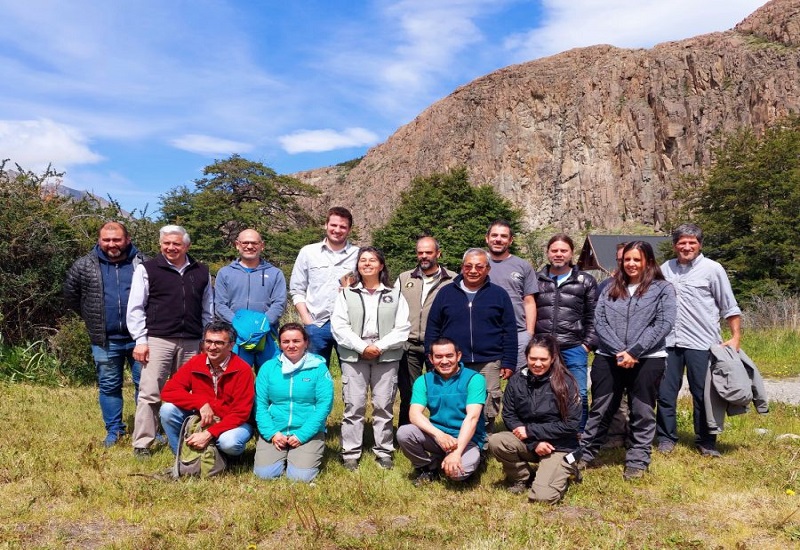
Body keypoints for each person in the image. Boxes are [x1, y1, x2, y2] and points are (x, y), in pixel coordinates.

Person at [578, 241, 676, 481]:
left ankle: (637, 460)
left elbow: (663, 323)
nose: (631, 264)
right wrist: (619, 351)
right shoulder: (610, 287)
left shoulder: (663, 288)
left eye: (637, 259)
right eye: (627, 259)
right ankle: (585, 454)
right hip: (608, 357)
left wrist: (635, 351)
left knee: (642, 411)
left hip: (648, 358)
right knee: (600, 409)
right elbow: (599, 321)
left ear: (648, 262)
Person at [127, 225, 214, 458]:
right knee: (150, 392)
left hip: (192, 340)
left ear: (187, 246)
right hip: (158, 339)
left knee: (190, 392)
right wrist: (140, 340)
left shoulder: (201, 271)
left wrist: (205, 338)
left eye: (176, 243)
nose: (171, 247)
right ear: (160, 244)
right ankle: (143, 443)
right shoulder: (147, 269)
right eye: (166, 243)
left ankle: (184, 438)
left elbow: (208, 308)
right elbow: (135, 307)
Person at [656, 223, 742, 457]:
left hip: (702, 343)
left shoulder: (713, 269)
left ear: (700, 244)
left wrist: (736, 337)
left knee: (703, 394)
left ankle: (706, 441)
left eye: (692, 242)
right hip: (669, 343)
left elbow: (729, 306)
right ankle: (665, 438)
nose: (687, 247)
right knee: (665, 393)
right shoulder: (665, 269)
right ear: (675, 246)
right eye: (682, 242)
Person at [64, 221, 147, 447]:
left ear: (127, 240)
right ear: (99, 240)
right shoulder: (84, 265)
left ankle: (147, 429)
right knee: (109, 386)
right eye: (106, 240)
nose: (112, 244)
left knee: (145, 386)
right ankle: (114, 431)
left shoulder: (144, 263)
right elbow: (71, 295)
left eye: (117, 239)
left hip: (141, 339)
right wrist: (93, 317)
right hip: (105, 339)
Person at [331, 246, 411, 470]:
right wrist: (362, 347)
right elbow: (339, 326)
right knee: (354, 405)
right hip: (354, 355)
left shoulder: (395, 294)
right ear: (357, 265)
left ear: (381, 265)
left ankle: (384, 451)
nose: (367, 264)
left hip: (386, 355)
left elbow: (402, 327)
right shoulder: (347, 294)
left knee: (384, 405)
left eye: (372, 260)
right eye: (363, 260)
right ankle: (350, 453)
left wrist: (379, 346)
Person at [426, 248, 518, 432]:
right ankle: (452, 439)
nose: (473, 270)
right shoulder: (445, 293)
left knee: (487, 403)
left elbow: (509, 330)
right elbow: (433, 328)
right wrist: (431, 360)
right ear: (462, 267)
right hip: (452, 361)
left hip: (489, 361)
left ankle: (483, 442)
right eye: (468, 266)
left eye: (479, 266)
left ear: (488, 269)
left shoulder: (499, 294)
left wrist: (509, 361)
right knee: (454, 402)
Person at [488, 334, 581, 504]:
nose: (537, 364)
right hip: (531, 443)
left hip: (559, 446)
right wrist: (534, 442)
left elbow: (571, 425)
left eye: (543, 359)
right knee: (497, 441)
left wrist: (531, 431)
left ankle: (567, 469)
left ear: (553, 358)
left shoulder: (566, 382)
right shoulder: (516, 380)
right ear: (526, 357)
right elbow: (509, 415)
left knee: (542, 497)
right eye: (533, 358)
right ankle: (522, 477)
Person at [397, 338, 486, 485]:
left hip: (467, 439)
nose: (444, 361)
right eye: (438, 357)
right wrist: (439, 435)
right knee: (404, 432)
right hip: (439, 437)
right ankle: (428, 468)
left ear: (458, 356)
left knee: (456, 474)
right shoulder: (423, 381)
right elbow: (414, 415)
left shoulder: (474, 379)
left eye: (449, 356)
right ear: (431, 359)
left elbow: (472, 418)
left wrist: (457, 452)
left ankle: (468, 458)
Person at [159, 321, 254, 459]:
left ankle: (225, 459)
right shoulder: (196, 362)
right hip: (204, 418)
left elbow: (241, 413)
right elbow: (168, 391)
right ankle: (182, 457)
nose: (212, 347)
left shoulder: (242, 369)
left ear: (231, 345)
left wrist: (208, 434)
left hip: (234, 422)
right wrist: (200, 403)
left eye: (219, 343)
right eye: (208, 341)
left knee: (229, 443)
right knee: (167, 410)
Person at [253, 323, 334, 482]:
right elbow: (260, 405)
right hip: (276, 429)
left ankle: (300, 457)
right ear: (280, 344)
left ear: (306, 342)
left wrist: (302, 435)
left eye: (296, 341)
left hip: (307, 430)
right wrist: (272, 433)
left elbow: (324, 405)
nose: (291, 346)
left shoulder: (318, 368)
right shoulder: (268, 368)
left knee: (300, 478)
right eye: (286, 341)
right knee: (265, 474)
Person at [534, 234, 597, 432]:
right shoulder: (536, 279)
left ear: (571, 253)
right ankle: (546, 432)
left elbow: (594, 315)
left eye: (563, 250)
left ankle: (579, 434)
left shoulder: (585, 281)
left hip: (573, 347)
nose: (559, 254)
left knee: (579, 394)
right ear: (548, 253)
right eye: (554, 250)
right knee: (544, 393)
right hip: (543, 349)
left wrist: (587, 345)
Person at [396, 236, 457, 426]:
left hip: (439, 347)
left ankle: (445, 429)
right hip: (409, 346)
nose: (424, 256)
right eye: (420, 252)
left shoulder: (453, 279)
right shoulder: (404, 278)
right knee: (409, 393)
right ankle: (406, 433)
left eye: (428, 252)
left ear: (438, 253)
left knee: (442, 391)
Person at [289, 207, 358, 366]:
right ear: (325, 225)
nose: (337, 230)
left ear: (349, 230)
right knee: (314, 372)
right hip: (317, 324)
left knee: (352, 373)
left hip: (349, 325)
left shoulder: (358, 254)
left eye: (343, 227)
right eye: (333, 225)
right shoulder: (308, 252)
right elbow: (297, 289)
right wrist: (307, 320)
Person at [214, 228, 286, 369]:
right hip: (235, 337)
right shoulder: (225, 273)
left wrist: (261, 326)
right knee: (236, 378)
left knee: (269, 377)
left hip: (265, 336)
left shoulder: (275, 273)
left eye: (254, 243)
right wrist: (240, 325)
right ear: (237, 245)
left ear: (262, 245)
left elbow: (279, 303)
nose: (249, 246)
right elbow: (220, 304)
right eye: (245, 242)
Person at [485, 220, 538, 369]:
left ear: (510, 240)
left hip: (518, 333)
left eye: (503, 236)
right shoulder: (477, 265)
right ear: (487, 238)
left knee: (519, 378)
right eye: (494, 235)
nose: (498, 239)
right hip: (486, 333)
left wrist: (529, 333)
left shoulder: (523, 266)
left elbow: (529, 301)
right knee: (487, 378)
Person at [598, 242, 630, 448]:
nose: (625, 263)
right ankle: (616, 435)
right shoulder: (605, 286)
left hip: (640, 350)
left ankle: (636, 437)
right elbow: (598, 317)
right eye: (621, 259)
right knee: (614, 395)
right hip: (611, 348)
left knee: (638, 396)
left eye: (631, 258)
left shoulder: (653, 286)